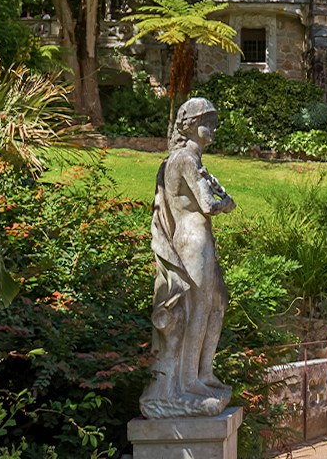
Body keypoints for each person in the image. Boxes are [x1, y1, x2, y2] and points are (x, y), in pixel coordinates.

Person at [139, 98, 236, 418]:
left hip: (199, 239)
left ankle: (203, 374)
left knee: (216, 304)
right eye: (208, 122)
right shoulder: (185, 160)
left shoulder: (186, 160)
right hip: (193, 240)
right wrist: (227, 202)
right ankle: (188, 381)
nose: (214, 129)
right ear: (190, 125)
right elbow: (208, 205)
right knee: (199, 309)